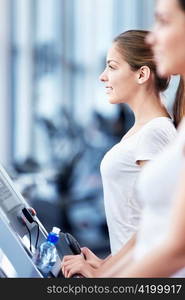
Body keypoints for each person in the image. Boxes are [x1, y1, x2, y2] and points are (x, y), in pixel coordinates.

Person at [61, 29, 178, 277]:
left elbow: (157, 225)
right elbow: (136, 221)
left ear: (142, 74)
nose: (103, 77)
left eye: (112, 67)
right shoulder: (142, 131)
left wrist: (105, 274)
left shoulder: (154, 132)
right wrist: (107, 263)